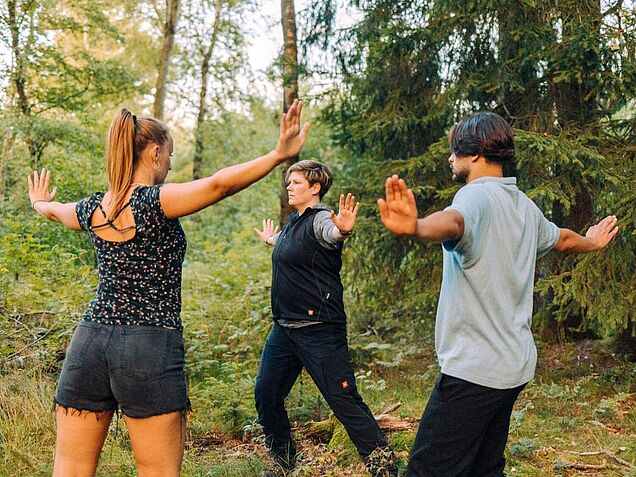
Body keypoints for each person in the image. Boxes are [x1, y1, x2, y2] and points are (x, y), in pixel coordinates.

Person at [26, 99, 309, 477]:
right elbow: (220, 185)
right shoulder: (154, 202)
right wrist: (277, 155)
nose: (171, 163)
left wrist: (40, 203)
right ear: (155, 152)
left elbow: (55, 210)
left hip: (90, 341)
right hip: (147, 345)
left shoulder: (94, 207)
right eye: (170, 154)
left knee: (70, 467)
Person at [377, 111, 619, 477]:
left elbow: (453, 223)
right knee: (484, 467)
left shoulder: (473, 198)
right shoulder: (524, 205)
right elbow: (564, 240)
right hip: (514, 368)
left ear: (473, 155)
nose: (450, 159)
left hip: (474, 373)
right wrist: (592, 241)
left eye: (454, 152)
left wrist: (417, 228)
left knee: (427, 470)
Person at [253, 160, 397, 477]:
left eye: (296, 182)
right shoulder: (294, 223)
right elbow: (292, 247)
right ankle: (283, 459)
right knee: (266, 393)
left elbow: (331, 235)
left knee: (343, 400)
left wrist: (343, 228)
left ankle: (384, 467)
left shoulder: (320, 220)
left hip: (319, 331)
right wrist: (270, 240)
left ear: (315, 187)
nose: (289, 187)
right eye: (288, 182)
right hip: (285, 329)